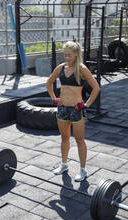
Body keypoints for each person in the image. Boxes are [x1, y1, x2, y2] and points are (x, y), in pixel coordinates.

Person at [46, 40, 100, 182]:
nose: (67, 58)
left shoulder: (82, 69)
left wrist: (86, 105)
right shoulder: (60, 68)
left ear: (76, 54)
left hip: (77, 110)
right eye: (65, 55)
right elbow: (49, 83)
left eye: (69, 55)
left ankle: (82, 170)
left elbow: (96, 88)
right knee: (64, 138)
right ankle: (64, 164)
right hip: (63, 108)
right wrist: (54, 99)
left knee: (79, 140)